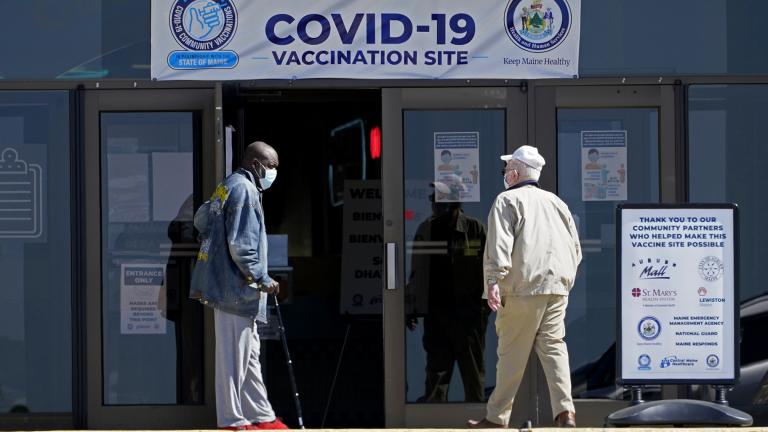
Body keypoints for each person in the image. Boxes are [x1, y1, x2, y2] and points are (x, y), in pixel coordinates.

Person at [468, 145, 582, 428]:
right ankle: (565, 412)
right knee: (554, 348)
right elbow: (576, 250)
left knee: (511, 354)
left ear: (516, 172)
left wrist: (493, 280)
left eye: (506, 169)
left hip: (521, 288)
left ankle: (496, 418)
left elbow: (499, 245)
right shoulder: (557, 203)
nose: (505, 174)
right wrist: (564, 280)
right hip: (557, 288)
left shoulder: (507, 200)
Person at [190, 141, 288, 430]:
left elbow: (200, 219)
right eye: (271, 166)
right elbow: (243, 246)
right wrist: (262, 278)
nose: (273, 172)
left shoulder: (228, 186)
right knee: (234, 358)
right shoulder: (245, 191)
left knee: (248, 355)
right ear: (257, 164)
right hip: (236, 288)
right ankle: (232, 421)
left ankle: (261, 415)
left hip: (229, 287)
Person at [406, 183, 490, 402]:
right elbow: (417, 272)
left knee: (472, 375)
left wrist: (483, 310)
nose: (433, 202)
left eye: (438, 198)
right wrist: (411, 306)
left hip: (469, 318)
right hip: (437, 316)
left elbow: (491, 271)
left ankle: (478, 421)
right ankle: (435, 422)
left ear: (452, 202)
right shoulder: (427, 230)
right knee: (436, 374)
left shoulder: (474, 229)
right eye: (433, 198)